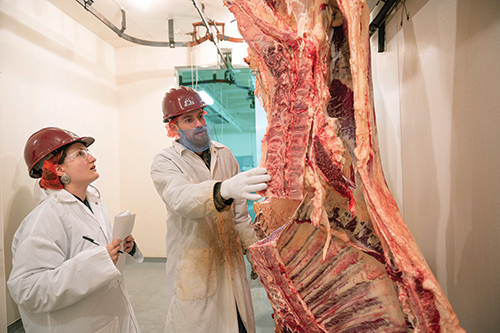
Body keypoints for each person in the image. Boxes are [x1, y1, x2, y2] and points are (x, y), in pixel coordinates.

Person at [150, 86, 271, 333]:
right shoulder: (165, 161)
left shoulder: (224, 154)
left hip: (231, 261)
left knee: (239, 323)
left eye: (201, 116)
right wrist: (223, 189)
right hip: (195, 265)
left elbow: (239, 216)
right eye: (188, 119)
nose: (199, 124)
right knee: (202, 324)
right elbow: (180, 199)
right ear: (172, 128)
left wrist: (253, 252)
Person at [8, 127, 143, 333]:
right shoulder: (44, 219)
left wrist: (124, 247)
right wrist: (97, 262)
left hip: (110, 316)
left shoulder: (95, 204)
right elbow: (28, 290)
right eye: (80, 153)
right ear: (59, 169)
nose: (92, 158)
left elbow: (99, 252)